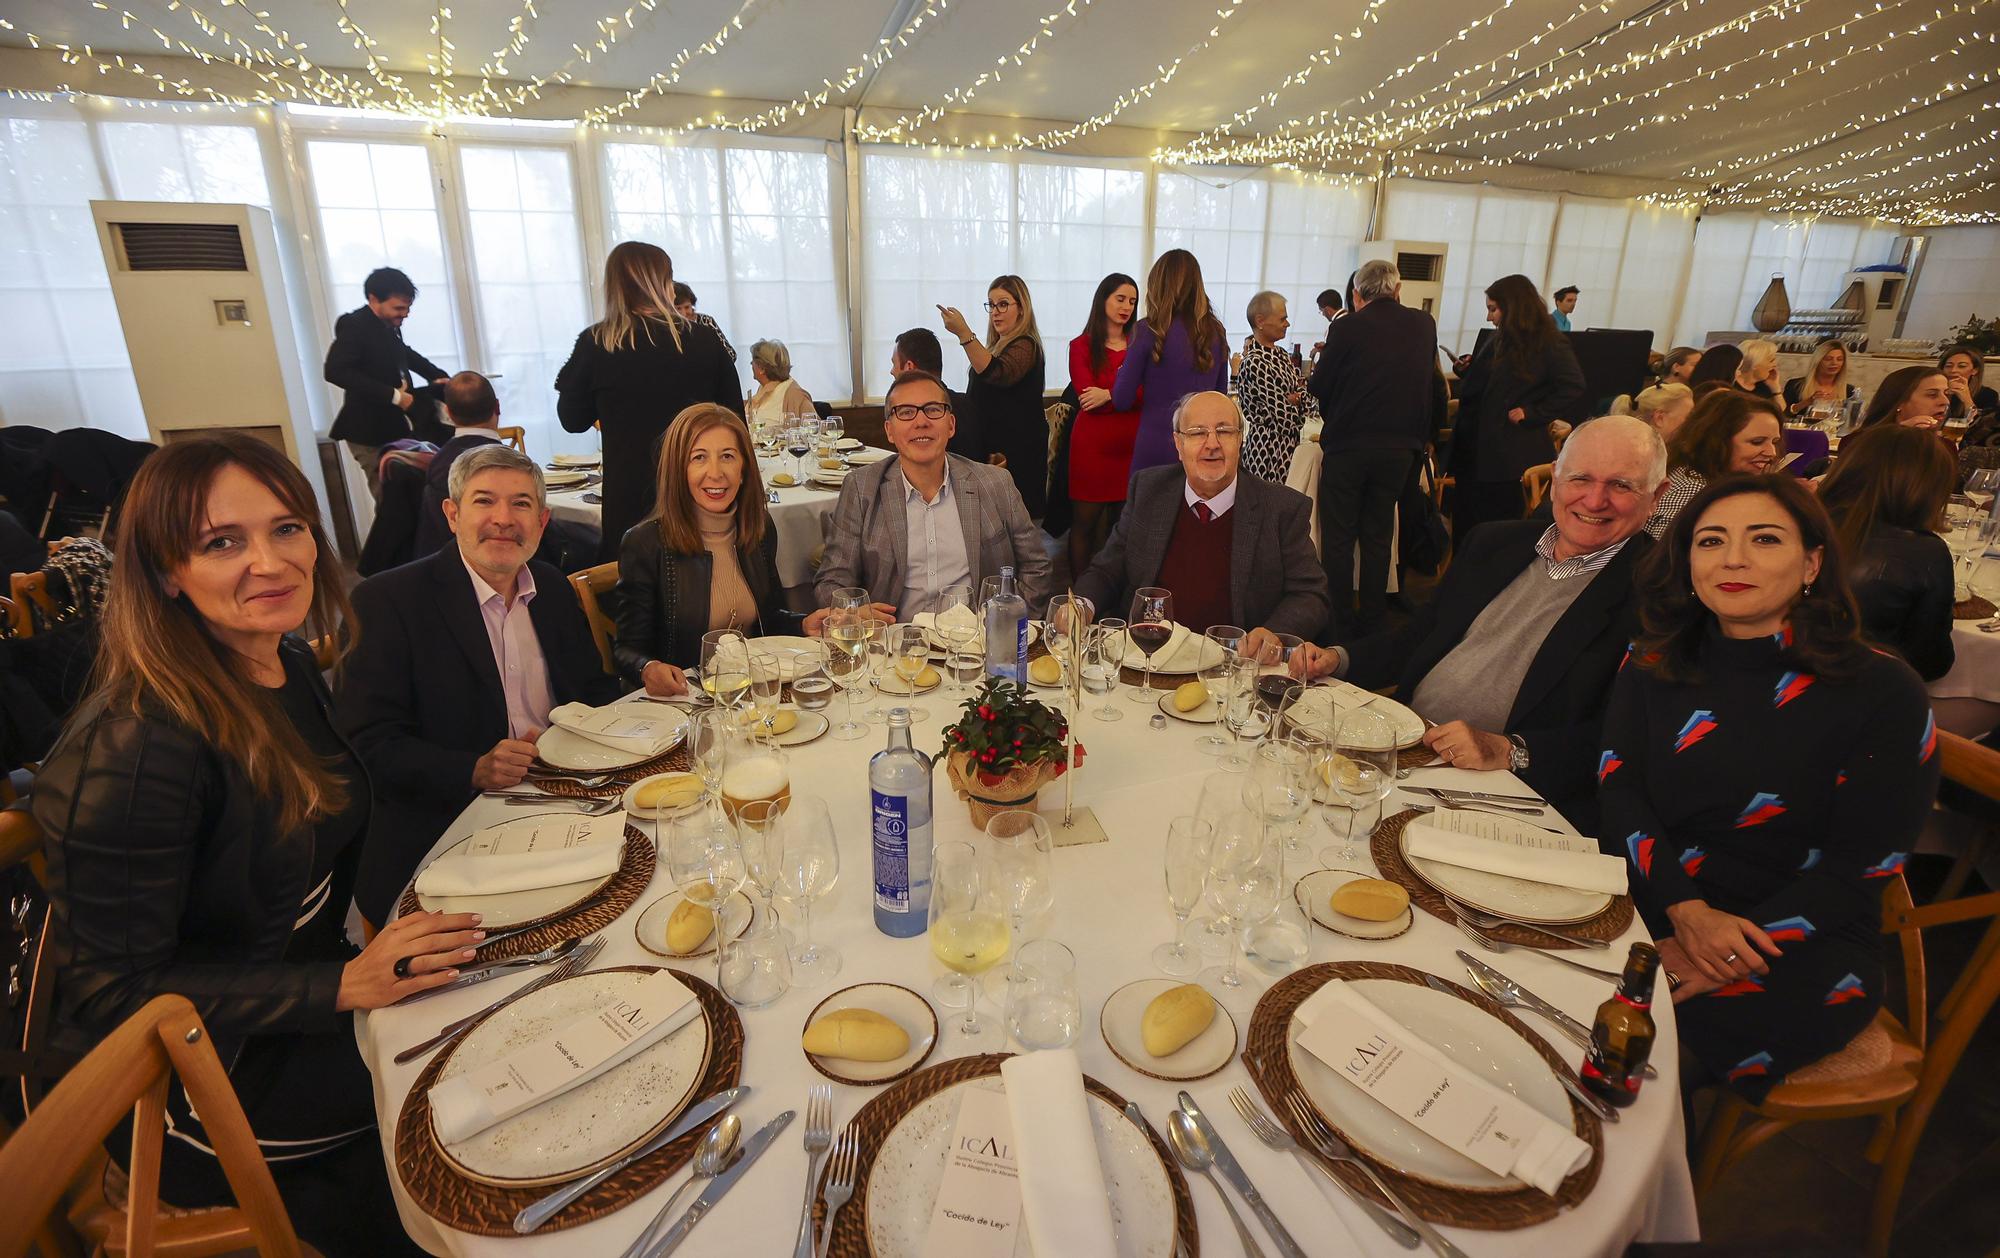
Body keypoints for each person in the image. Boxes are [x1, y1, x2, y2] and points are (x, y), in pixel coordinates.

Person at [31, 435, 465, 1255]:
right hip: (204, 1084)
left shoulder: (285, 664)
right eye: (221, 542)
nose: (270, 563)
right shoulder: (140, 746)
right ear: (166, 573)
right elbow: (113, 998)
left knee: (492, 1012)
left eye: (287, 528)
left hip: (294, 1003)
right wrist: (343, 985)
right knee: (465, 1115)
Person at [1599, 475, 1937, 1104]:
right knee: (1540, 997)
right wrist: (1686, 912)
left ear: (1813, 561)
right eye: (1711, 541)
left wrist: (1719, 951)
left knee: (1637, 1061)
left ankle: (1630, 1188)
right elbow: (1620, 792)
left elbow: (1864, 867)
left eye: (1764, 539)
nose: (1733, 559)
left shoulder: (1882, 690)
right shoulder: (1654, 657)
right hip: (1659, 891)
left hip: (1800, 931)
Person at [1291, 415, 1664, 831]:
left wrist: (1511, 751)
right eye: (1581, 478)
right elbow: (1421, 636)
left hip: (1507, 799)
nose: (1595, 501)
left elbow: (1632, 739)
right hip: (1408, 749)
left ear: (1657, 496)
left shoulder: (1659, 599)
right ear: (1556, 476)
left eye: (1621, 485)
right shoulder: (1496, 543)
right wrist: (1337, 658)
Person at [337, 444, 621, 924]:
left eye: (522, 504)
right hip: (448, 822)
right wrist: (473, 768)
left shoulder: (550, 587)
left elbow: (591, 690)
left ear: (543, 521)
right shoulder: (386, 603)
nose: (504, 519)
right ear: (452, 514)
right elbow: (366, 746)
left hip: (567, 802)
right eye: (484, 501)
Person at [1075, 391, 1327, 651]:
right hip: (1147, 655)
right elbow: (1107, 570)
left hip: (1231, 666)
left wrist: (1273, 633)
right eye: (1197, 433)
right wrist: (1081, 606)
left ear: (1240, 439)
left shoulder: (1281, 508)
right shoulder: (1149, 490)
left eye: (1225, 431)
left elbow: (1310, 595)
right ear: (1178, 444)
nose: (1212, 444)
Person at [808, 370, 1050, 630]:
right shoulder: (861, 488)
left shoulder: (995, 484)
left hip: (976, 644)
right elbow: (832, 582)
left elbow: (1036, 568)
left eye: (933, 409)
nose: (921, 421)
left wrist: (1014, 629)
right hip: (894, 647)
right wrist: (854, 613)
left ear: (951, 425)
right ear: (889, 430)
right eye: (906, 412)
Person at [556, 241, 743, 562]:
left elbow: (571, 420)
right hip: (698, 492)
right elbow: (736, 422)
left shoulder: (597, 343)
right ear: (664, 283)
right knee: (704, 586)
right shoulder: (703, 340)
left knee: (634, 595)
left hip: (629, 495)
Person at [616, 404, 792, 696]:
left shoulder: (759, 528)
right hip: (685, 703)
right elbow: (626, 650)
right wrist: (647, 668)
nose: (715, 473)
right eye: (699, 458)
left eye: (727, 457)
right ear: (678, 470)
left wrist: (805, 622)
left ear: (744, 468)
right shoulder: (645, 543)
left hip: (754, 695)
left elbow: (770, 618)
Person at [1309, 258, 1441, 635]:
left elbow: (1319, 385)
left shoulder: (1347, 326)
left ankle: (1340, 620)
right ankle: (1374, 617)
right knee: (1379, 535)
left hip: (1350, 446)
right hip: (1400, 449)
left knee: (1339, 537)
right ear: (1398, 291)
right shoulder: (1422, 324)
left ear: (1355, 294)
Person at [1449, 273, 1587, 544]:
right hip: (1475, 450)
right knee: (1467, 527)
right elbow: (1494, 383)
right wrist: (1470, 369)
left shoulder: (1547, 341)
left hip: (1505, 455)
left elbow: (1573, 384)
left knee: (1494, 531)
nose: (1490, 318)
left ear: (1512, 307)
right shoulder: (1503, 337)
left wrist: (1532, 412)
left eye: (1493, 309)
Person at [1817, 424, 1956, 680]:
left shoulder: (1802, 522)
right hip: (1858, 691)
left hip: (1776, 677)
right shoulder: (1926, 552)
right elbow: (1930, 662)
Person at [324, 266, 449, 501]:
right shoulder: (354, 325)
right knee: (391, 504)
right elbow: (336, 371)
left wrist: (437, 375)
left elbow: (405, 354)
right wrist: (395, 396)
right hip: (369, 431)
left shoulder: (387, 325)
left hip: (396, 428)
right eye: (399, 308)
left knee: (414, 498)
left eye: (408, 308)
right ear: (374, 299)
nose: (405, 314)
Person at [1113, 249, 1231, 478]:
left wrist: (1123, 372)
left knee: (1150, 511)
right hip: (1201, 448)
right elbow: (1220, 397)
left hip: (1156, 444)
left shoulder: (1147, 330)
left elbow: (1121, 399)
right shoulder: (1216, 332)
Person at [940, 275, 1048, 516]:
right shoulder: (996, 346)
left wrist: (964, 333)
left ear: (1021, 309)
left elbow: (997, 374)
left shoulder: (1026, 345)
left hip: (1018, 452)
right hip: (992, 447)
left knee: (1013, 524)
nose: (995, 312)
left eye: (1003, 304)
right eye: (991, 304)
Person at [1067, 272, 1142, 580]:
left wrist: (1110, 394)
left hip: (1131, 447)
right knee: (1084, 523)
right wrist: (1126, 395)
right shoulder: (1081, 345)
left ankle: (1115, 593)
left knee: (1122, 527)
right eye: (1120, 298)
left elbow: (1146, 393)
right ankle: (1080, 596)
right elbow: (1087, 397)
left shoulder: (1141, 346)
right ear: (1103, 300)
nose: (1126, 306)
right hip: (1092, 447)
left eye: (1133, 301)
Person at [1645, 391, 1784, 539]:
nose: (1772, 452)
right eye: (1757, 442)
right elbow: (1666, 557)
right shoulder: (1693, 491)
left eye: (1774, 442)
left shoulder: (1713, 481)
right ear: (1717, 442)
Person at [414, 370, 506, 557]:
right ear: (497, 407)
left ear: (448, 412)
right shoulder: (506, 463)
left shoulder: (437, 460)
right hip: (494, 562)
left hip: (440, 561)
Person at [1237, 290, 1320, 482]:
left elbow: (1308, 400)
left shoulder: (1282, 354)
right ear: (1260, 321)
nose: (1287, 324)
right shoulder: (1253, 362)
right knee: (1265, 507)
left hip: (1289, 450)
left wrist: (1295, 398)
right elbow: (1285, 418)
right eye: (1282, 319)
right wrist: (1294, 401)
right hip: (1265, 452)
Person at [893, 327, 984, 461]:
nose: (892, 372)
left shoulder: (908, 416)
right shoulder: (967, 405)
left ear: (909, 367)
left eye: (894, 364)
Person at [1857, 366, 1951, 432]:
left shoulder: (1945, 446)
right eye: (1932, 394)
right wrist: (1898, 434)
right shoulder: (1859, 441)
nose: (1945, 401)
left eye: (1946, 394)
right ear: (1899, 402)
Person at [746, 338, 815, 427]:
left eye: (753, 362)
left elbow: (814, 430)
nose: (751, 364)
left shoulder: (796, 395)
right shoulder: (762, 389)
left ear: (762, 368)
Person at [1781, 339, 1858, 416]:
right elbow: (1782, 413)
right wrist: (1806, 403)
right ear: (1818, 361)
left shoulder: (1849, 391)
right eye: (1828, 359)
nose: (1834, 363)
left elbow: (1852, 420)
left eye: (1839, 359)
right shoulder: (1795, 386)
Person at [672, 281, 737, 362]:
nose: (684, 313)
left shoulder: (706, 321)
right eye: (678, 308)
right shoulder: (669, 328)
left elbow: (731, 354)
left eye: (687, 307)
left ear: (692, 305)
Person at [1938, 345, 1997, 419]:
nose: (1953, 370)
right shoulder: (1933, 391)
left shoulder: (1987, 395)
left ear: (1974, 370)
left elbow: (1983, 427)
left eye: (1962, 366)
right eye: (1948, 366)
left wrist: (1967, 400)